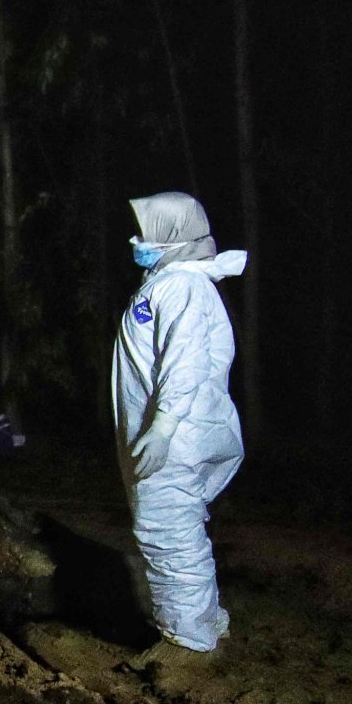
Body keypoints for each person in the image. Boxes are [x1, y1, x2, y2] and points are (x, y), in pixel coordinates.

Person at [111, 190, 248, 663]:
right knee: (180, 530)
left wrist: (165, 425)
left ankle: (188, 649)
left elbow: (185, 359)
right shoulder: (171, 281)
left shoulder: (182, 286)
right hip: (176, 429)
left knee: (166, 531)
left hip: (177, 433)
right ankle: (207, 626)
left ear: (173, 236)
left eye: (147, 231)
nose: (137, 239)